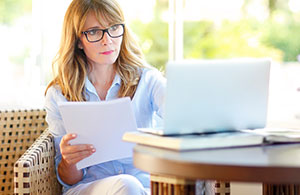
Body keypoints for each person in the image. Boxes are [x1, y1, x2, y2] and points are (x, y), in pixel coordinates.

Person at [44, 0, 166, 194]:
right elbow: (68, 179)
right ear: (78, 41)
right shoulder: (59, 94)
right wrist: (69, 161)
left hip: (145, 187)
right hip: (90, 188)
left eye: (114, 27)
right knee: (127, 185)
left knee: (132, 186)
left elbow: (181, 119)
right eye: (93, 31)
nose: (107, 40)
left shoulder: (148, 80)